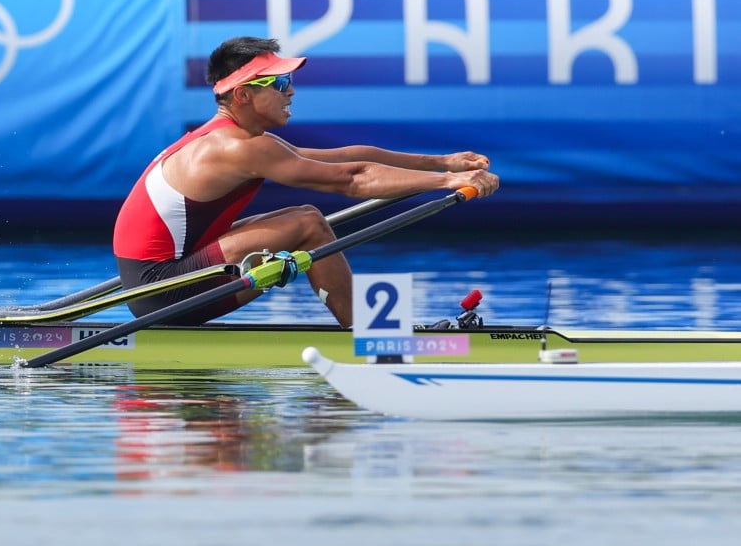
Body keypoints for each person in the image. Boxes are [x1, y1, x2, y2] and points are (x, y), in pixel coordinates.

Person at [113, 36, 499, 328]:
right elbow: (352, 179)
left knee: (304, 216)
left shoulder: (240, 138)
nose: (292, 90)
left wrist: (442, 160)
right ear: (244, 95)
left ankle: (362, 328)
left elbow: (349, 157)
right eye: (279, 83)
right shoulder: (234, 147)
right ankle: (365, 334)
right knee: (308, 223)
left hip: (167, 280)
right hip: (161, 294)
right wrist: (448, 180)